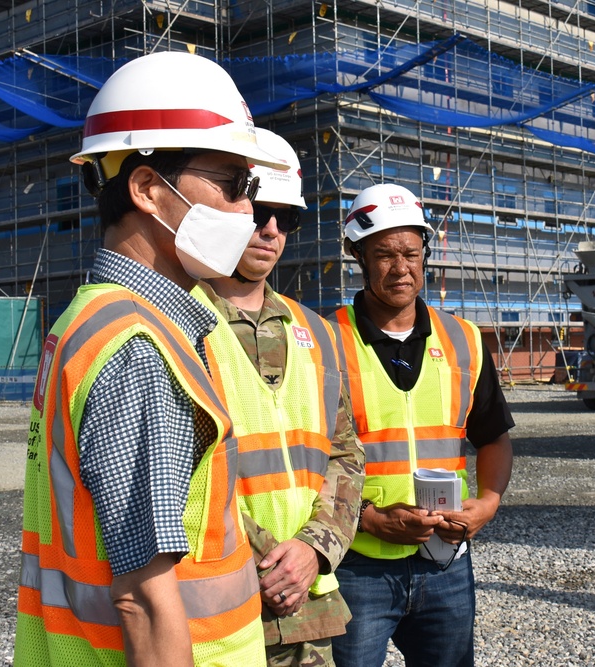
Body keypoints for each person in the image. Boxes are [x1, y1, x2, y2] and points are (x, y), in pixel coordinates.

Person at [14, 51, 289, 666]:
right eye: (234, 184)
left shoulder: (92, 321)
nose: (249, 212)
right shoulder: (136, 347)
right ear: (147, 190)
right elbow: (145, 596)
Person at [198, 128, 366, 665]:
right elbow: (181, 475)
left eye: (286, 218)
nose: (271, 230)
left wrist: (314, 550)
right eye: (260, 212)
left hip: (306, 613)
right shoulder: (176, 323)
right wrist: (270, 560)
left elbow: (344, 453)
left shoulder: (315, 331)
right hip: (221, 603)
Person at [329, 183, 515, 667]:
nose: (401, 268)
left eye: (411, 252)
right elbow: (308, 459)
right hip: (356, 564)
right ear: (358, 256)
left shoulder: (463, 339)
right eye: (385, 254)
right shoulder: (326, 341)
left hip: (445, 562)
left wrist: (489, 503)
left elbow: (493, 436)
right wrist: (365, 519)